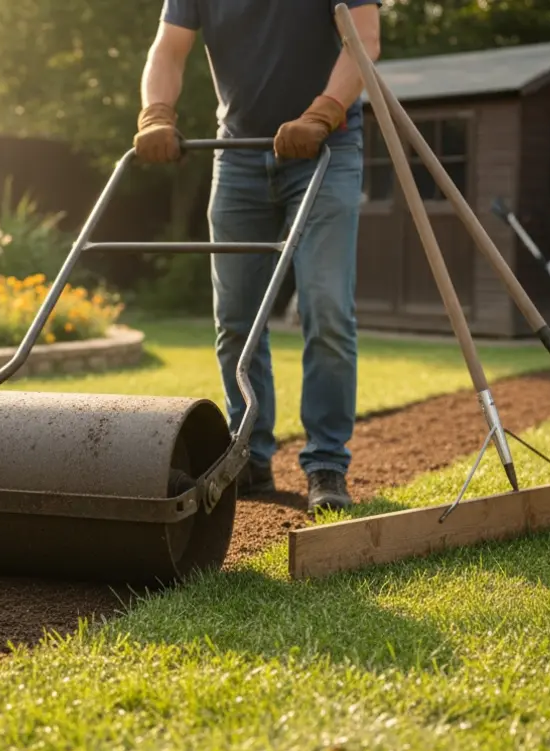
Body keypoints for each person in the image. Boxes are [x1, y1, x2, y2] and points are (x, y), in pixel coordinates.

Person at [134, 0, 382, 512]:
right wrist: (156, 113)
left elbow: (364, 42)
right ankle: (248, 456)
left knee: (327, 308)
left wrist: (323, 112)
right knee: (235, 322)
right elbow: (169, 48)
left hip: (326, 151)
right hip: (239, 155)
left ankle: (326, 465)